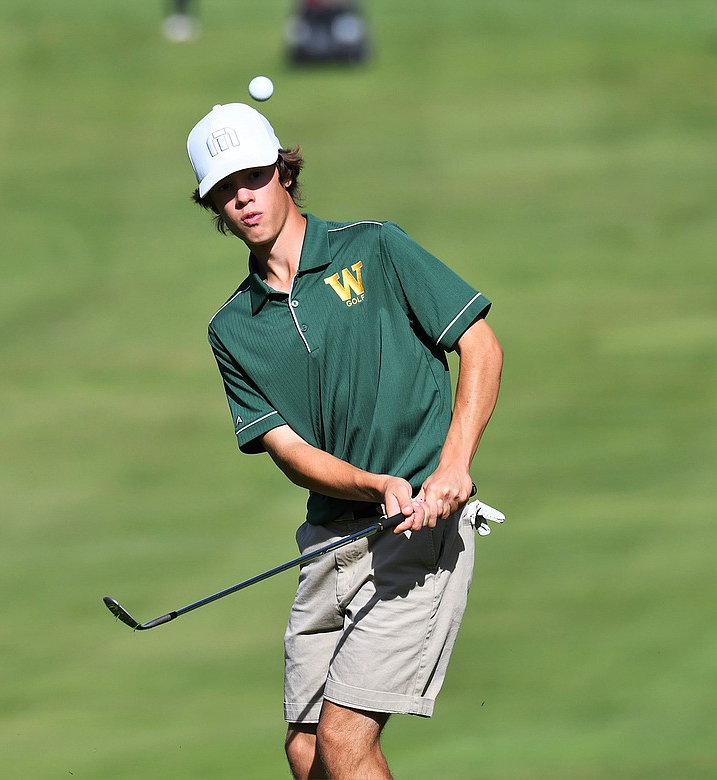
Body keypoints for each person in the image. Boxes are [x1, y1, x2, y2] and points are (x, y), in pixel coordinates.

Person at [186, 102, 504, 779]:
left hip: (422, 527)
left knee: (343, 741)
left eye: (254, 176)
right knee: (306, 752)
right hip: (331, 543)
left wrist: (452, 467)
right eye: (225, 188)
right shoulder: (233, 329)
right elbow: (292, 453)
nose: (244, 197)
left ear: (284, 173)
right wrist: (371, 485)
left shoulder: (376, 248)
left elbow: (479, 345)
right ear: (212, 202)